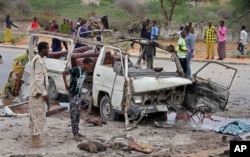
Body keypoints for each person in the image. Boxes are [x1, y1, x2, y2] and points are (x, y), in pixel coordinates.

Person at [62, 58, 93, 141]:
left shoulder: (85, 72)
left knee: (78, 113)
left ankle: (77, 131)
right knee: (74, 114)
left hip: (78, 95)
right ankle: (74, 133)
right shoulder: (76, 69)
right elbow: (64, 73)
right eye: (89, 65)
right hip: (73, 94)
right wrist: (66, 85)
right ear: (85, 64)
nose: (90, 67)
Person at [29, 42, 49, 148]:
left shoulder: (39, 60)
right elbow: (39, 80)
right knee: (38, 116)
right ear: (43, 49)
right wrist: (45, 93)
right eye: (47, 48)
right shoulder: (38, 61)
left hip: (37, 93)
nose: (48, 50)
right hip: (37, 94)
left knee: (36, 115)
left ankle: (36, 138)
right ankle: (35, 141)